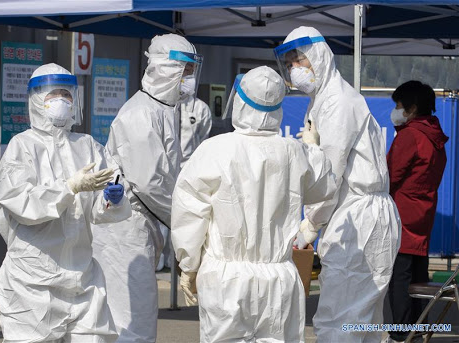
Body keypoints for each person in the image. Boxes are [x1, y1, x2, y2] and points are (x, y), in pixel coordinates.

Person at [171, 66, 337, 342]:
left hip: (226, 280)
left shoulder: (214, 150)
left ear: (240, 102)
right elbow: (325, 187)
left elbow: (189, 213)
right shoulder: (294, 152)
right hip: (279, 280)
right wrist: (314, 148)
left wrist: (188, 266)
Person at [274, 26, 401, 342]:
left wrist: (308, 228)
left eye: (299, 61)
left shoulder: (337, 102)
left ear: (318, 56)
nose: (294, 70)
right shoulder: (323, 100)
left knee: (339, 323)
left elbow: (329, 178)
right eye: (289, 64)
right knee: (362, 324)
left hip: (359, 218)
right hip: (357, 214)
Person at [0, 63, 131, 342]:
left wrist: (110, 199)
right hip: (32, 281)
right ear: (36, 101)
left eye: (67, 95)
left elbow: (99, 205)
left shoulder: (88, 145)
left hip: (82, 278)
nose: (62, 101)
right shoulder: (22, 146)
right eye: (53, 95)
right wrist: (69, 188)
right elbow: (23, 204)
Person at [92, 33, 203, 342]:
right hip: (125, 233)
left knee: (134, 317)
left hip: (142, 228)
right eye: (186, 71)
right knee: (133, 322)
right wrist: (191, 222)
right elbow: (150, 183)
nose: (190, 80)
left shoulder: (164, 109)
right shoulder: (141, 114)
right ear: (166, 69)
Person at [383, 81, 448, 343]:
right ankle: (418, 328)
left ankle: (400, 333)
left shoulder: (410, 135)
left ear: (412, 108)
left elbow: (390, 175)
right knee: (418, 280)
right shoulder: (435, 136)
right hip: (423, 213)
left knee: (399, 279)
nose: (396, 111)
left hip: (402, 215)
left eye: (399, 106)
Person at [156, 94, 213, 271]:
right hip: (164, 167)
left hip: (189, 167)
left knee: (186, 213)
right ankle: (159, 259)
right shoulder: (161, 104)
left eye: (189, 72)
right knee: (161, 210)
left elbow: (203, 135)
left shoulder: (200, 108)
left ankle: (176, 260)